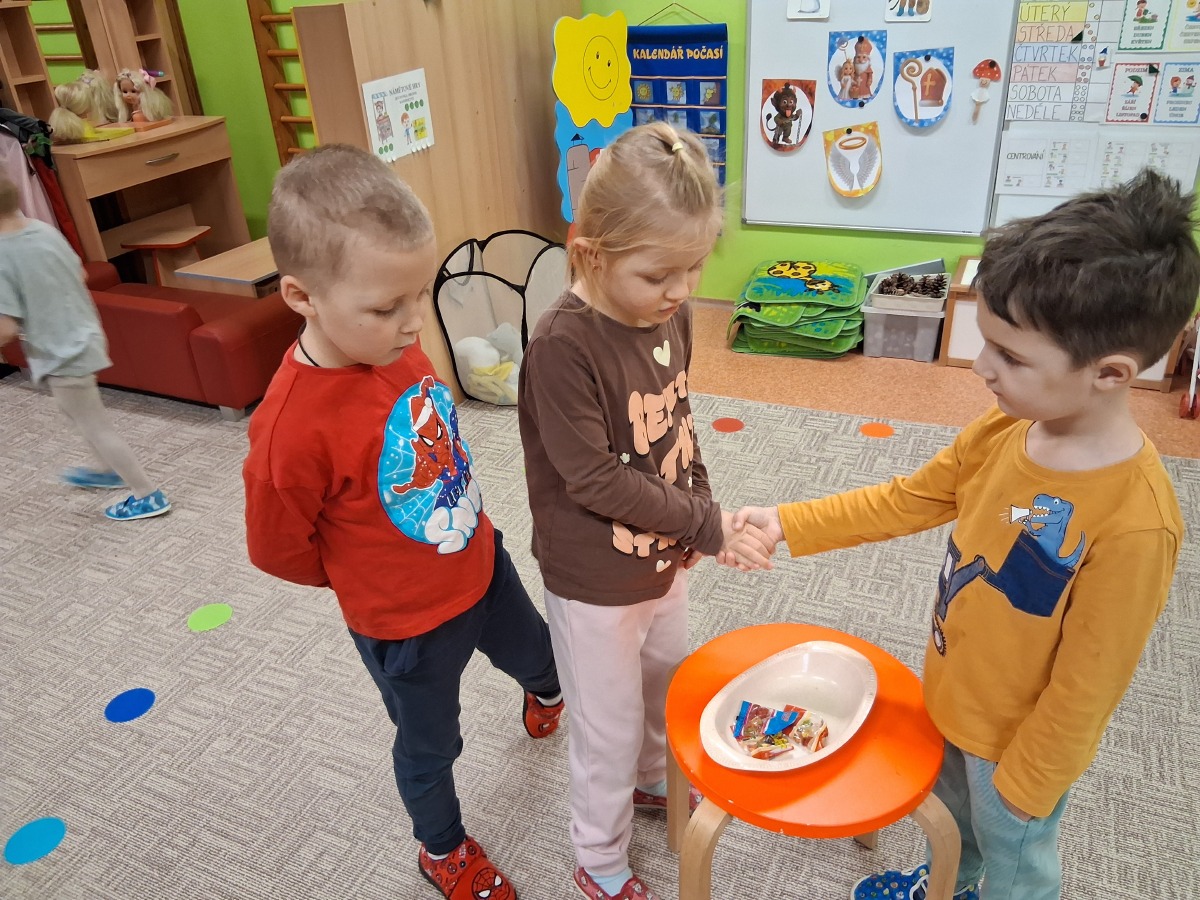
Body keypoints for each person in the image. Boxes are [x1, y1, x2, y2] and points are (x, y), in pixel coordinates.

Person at [724, 168, 1200, 900]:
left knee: (1014, 869)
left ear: (1110, 373)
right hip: (948, 695)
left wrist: (1027, 784)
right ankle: (952, 881)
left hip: (1016, 753)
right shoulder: (1006, 429)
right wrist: (790, 522)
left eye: (1011, 356)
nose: (981, 367)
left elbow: (1089, 685)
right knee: (952, 829)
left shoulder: (1137, 522)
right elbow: (910, 499)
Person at [242, 144, 563, 900]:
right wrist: (367, 576)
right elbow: (279, 550)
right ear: (301, 296)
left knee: (539, 654)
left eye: (417, 295)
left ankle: (545, 693)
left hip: (480, 562)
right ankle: (440, 848)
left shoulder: (397, 345)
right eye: (386, 307)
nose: (413, 321)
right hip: (404, 625)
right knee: (431, 743)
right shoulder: (290, 429)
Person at [518, 122, 774, 900]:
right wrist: (704, 524)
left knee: (665, 685)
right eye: (660, 273)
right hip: (593, 579)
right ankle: (597, 858)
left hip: (664, 554)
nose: (682, 290)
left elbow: (678, 419)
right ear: (591, 255)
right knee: (608, 726)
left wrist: (700, 504)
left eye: (695, 268)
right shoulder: (561, 346)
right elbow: (594, 478)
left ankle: (651, 780)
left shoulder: (670, 313)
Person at [0, 175, 171, 521]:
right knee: (76, 413)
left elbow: (5, 329)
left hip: (61, 352)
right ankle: (107, 470)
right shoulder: (43, 230)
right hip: (84, 333)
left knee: (95, 425)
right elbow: (79, 276)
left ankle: (148, 494)